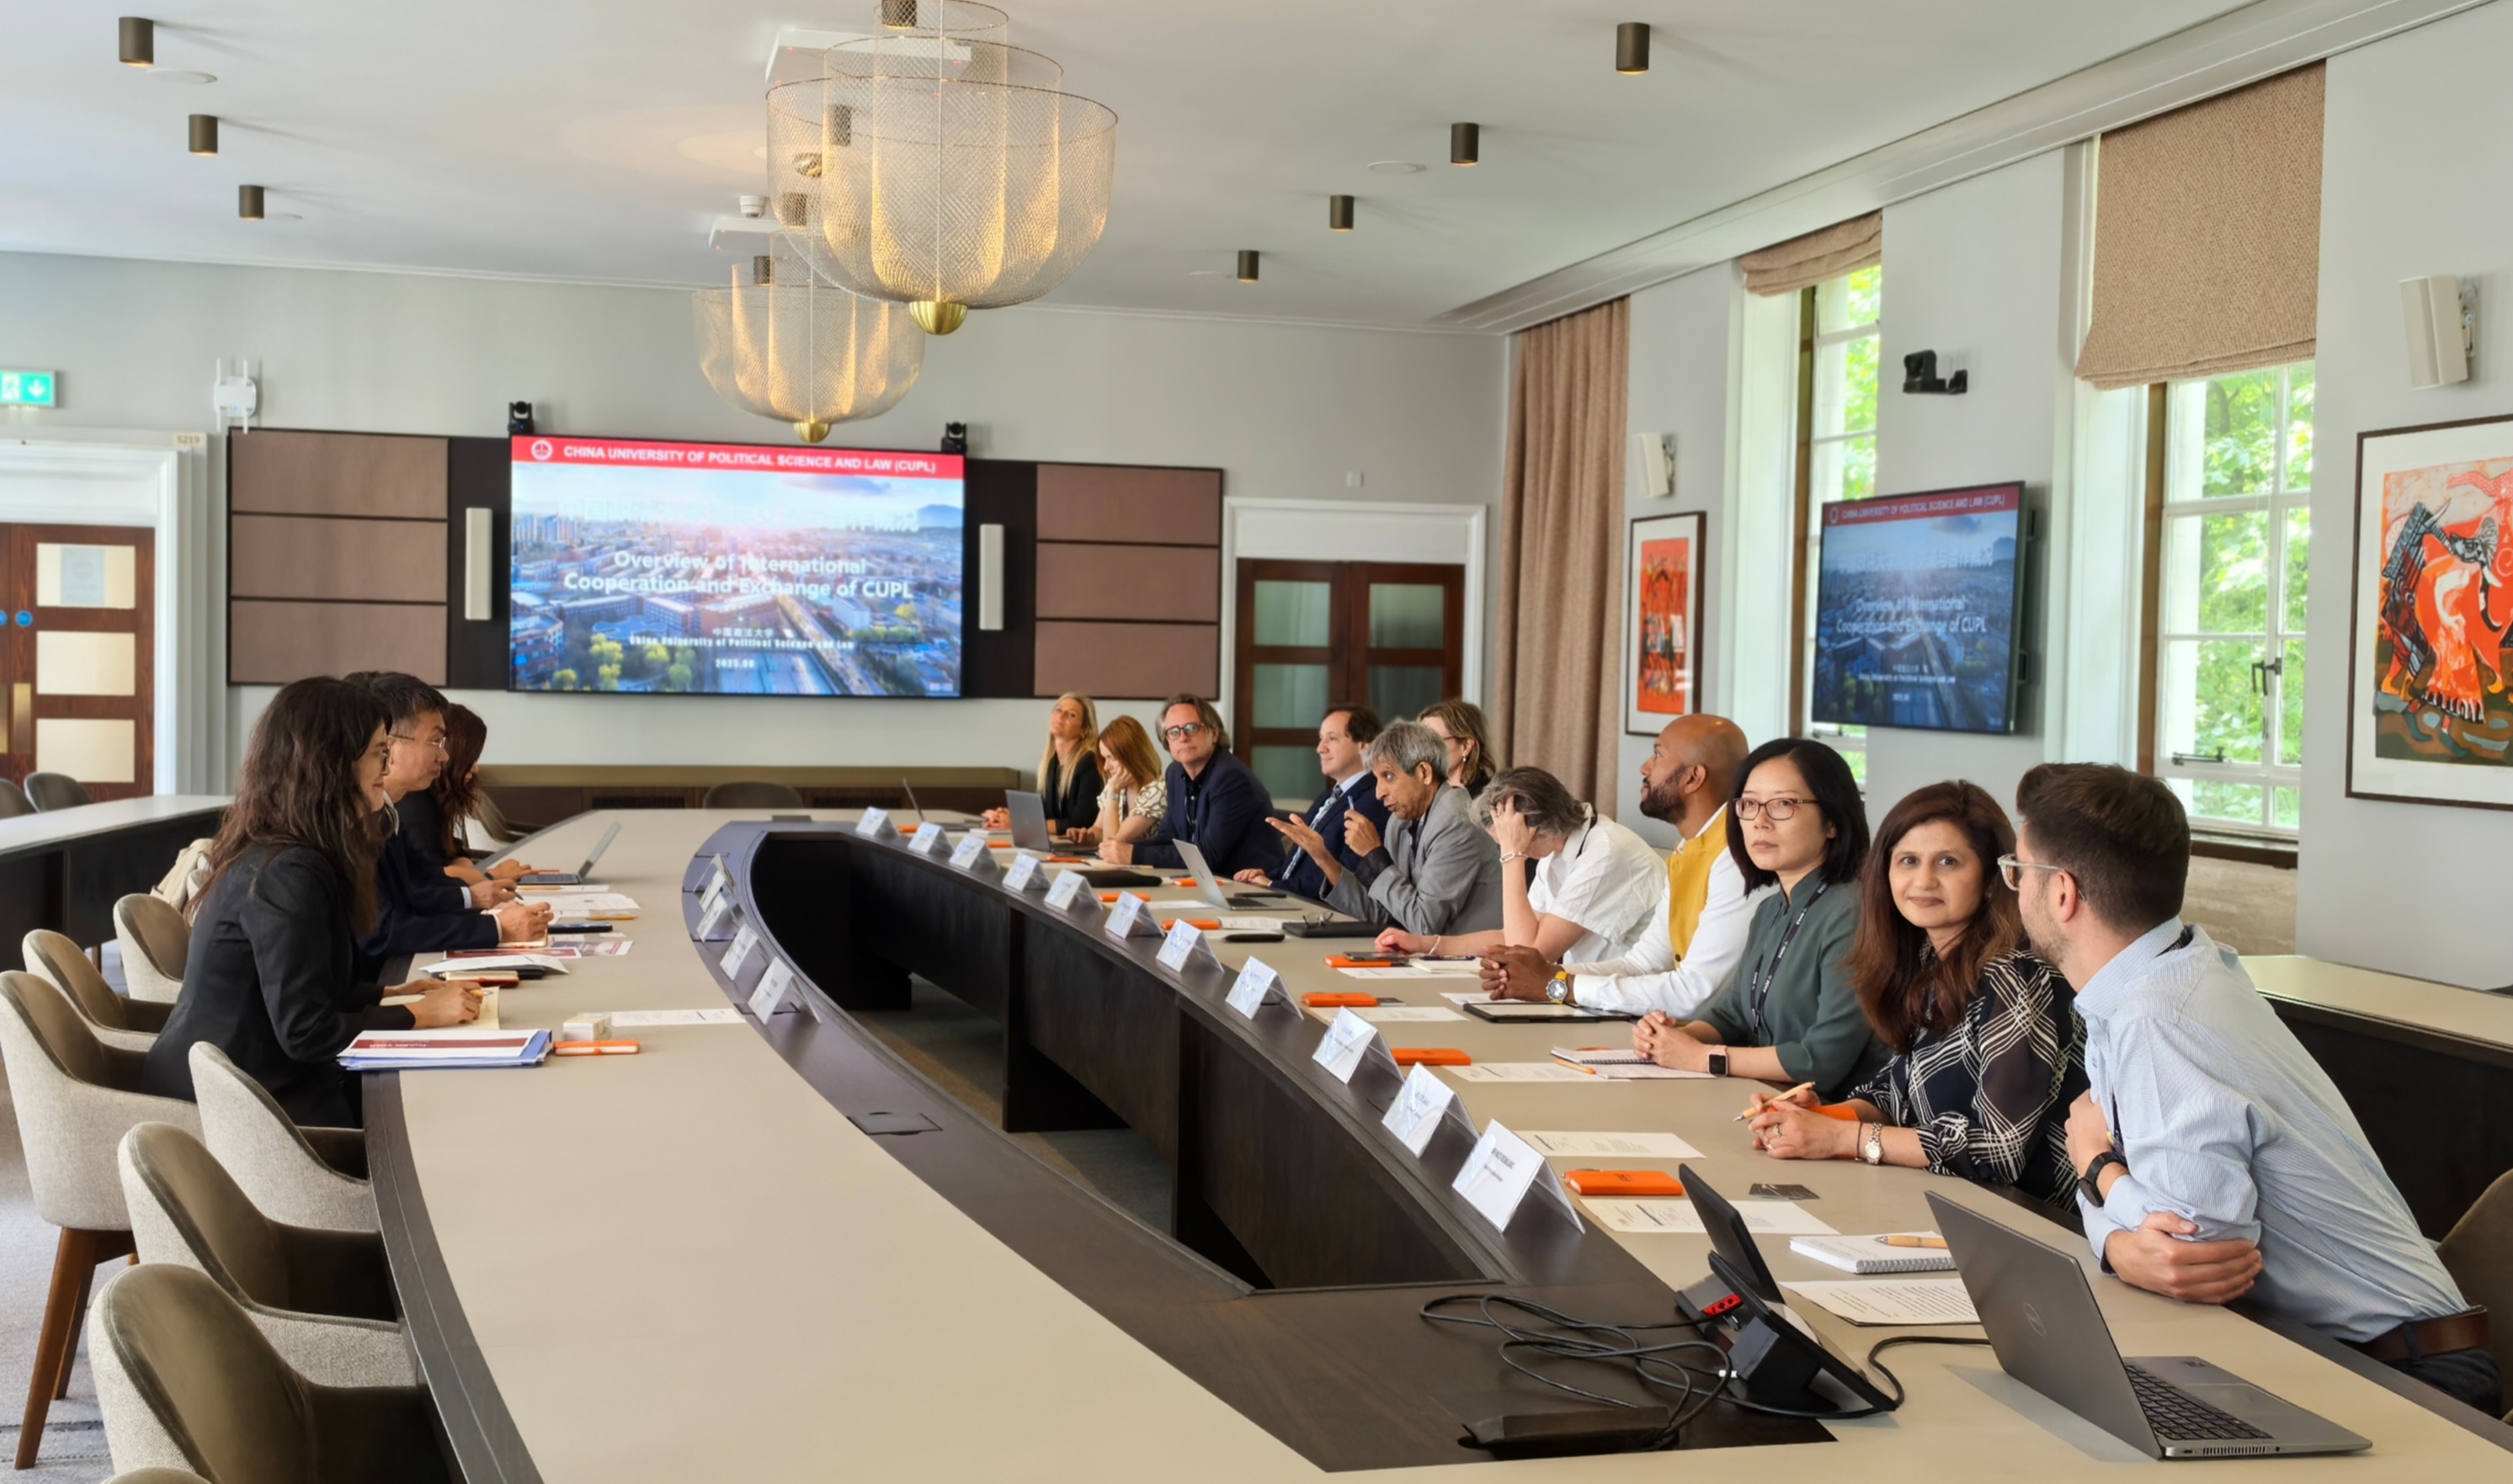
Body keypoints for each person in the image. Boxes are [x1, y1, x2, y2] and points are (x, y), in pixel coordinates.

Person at [2014, 764, 2500, 1416]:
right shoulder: (2174, 970)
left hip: (2407, 1378)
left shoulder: (2161, 1019)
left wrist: (2096, 1167)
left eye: (2017, 871)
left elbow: (2192, 1258)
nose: (2013, 889)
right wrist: (2120, 1239)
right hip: (2342, 1353)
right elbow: (2159, 1246)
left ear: (2061, 892)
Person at [140, 678, 482, 1126]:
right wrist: (417, 1015)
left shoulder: (294, 851)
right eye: (379, 753)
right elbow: (305, 1031)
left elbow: (313, 986)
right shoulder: (289, 870)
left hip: (259, 1085)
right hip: (236, 1111)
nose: (386, 768)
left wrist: (391, 994)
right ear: (332, 763)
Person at [1746, 781, 2087, 1210]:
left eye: (1948, 862)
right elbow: (1895, 1093)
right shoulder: (1928, 957)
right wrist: (1819, 1116)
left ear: (1990, 878)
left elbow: (1996, 1150)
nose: (1923, 880)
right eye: (1908, 860)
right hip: (1947, 1199)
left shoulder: (2015, 973)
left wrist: (1844, 1138)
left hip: (2027, 1219)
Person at [1629, 737, 1886, 1102]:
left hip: (1834, 1114)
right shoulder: (1770, 909)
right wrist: (1670, 1039)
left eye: (1783, 804)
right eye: (1748, 805)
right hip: (1765, 1101)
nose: (1760, 822)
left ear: (1832, 821)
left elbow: (1823, 1059)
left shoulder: (1854, 911)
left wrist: (1702, 1058)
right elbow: (1733, 1016)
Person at [1477, 715, 1756, 1016]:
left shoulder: (1735, 858)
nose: (1645, 767)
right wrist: (1549, 977)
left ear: (1693, 778)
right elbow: (1643, 964)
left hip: (1695, 1034)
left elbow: (1695, 993)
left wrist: (1559, 986)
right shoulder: (1687, 849)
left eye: (1658, 755)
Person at [348, 673, 548, 962]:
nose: (444, 757)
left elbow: (419, 888)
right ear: (390, 747)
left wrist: (475, 897)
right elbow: (382, 931)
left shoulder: (388, 811)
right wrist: (496, 928)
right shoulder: (359, 820)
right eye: (436, 742)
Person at [1375, 766, 1659, 963]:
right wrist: (1426, 945)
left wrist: (1513, 855)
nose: (1503, 849)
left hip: (1633, 1010)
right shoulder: (1560, 848)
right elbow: (1511, 936)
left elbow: (1529, 953)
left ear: (1533, 829)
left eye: (1505, 841)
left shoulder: (1605, 853)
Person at [1279, 720, 1501, 935]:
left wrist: (1375, 855)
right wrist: (1324, 859)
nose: (1379, 793)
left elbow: (1424, 924)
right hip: (1423, 952)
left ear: (1424, 773)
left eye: (1388, 776)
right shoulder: (1399, 822)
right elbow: (1385, 914)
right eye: (1377, 779)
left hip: (1468, 957)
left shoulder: (1457, 822)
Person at [1232, 705, 1392, 903]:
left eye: (1332, 739)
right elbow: (1298, 866)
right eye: (1321, 739)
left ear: (1365, 745)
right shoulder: (1327, 797)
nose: (1320, 748)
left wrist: (1273, 886)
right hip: (1290, 900)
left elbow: (1345, 881)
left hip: (1320, 911)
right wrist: (1266, 877)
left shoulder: (1374, 800)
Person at [1110, 695, 1274, 877]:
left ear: (1214, 734)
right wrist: (1122, 848)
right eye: (1174, 732)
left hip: (1250, 883)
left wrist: (1134, 854)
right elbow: (1169, 838)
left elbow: (1209, 856)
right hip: (1208, 880)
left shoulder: (1230, 778)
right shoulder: (1175, 773)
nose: (1183, 738)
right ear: (1167, 741)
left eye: (1191, 728)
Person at [407, 704, 536, 896]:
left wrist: (466, 872)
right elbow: (433, 877)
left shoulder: (435, 801)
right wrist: (490, 876)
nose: (475, 769)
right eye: (470, 759)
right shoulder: (416, 805)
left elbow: (455, 856)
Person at [982, 694, 1102, 838]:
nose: (1061, 716)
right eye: (1058, 710)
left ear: (1085, 730)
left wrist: (1018, 824)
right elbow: (1044, 815)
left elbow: (1081, 822)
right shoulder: (1051, 762)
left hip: (1082, 847)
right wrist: (1008, 817)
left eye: (1071, 714)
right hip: (1057, 843)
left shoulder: (1090, 763)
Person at [1068, 714, 1166, 850]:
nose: (1106, 767)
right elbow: (1099, 829)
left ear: (1132, 756)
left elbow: (1112, 841)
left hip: (1144, 863)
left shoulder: (1157, 791)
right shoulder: (1117, 785)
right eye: (1104, 758)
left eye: (1112, 758)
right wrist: (1089, 836)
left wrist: (1114, 793)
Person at [1417, 699, 1497, 800]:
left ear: (1466, 746)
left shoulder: (1488, 799)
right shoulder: (1423, 795)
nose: (1424, 748)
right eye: (1422, 741)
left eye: (1435, 740)